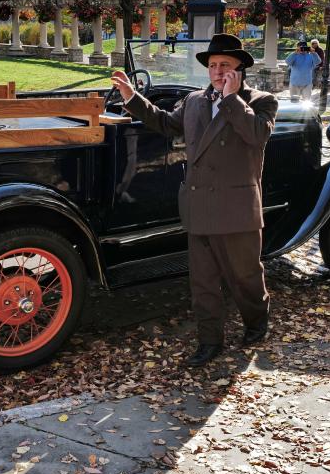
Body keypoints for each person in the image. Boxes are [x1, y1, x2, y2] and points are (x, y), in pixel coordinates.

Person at [110, 33, 277, 367]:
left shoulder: (261, 100)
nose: (217, 71)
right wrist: (132, 96)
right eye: (213, 65)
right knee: (203, 282)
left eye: (225, 65)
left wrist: (231, 100)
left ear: (239, 69)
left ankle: (257, 321)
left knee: (245, 276)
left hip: (237, 209)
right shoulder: (195, 101)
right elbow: (165, 123)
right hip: (198, 206)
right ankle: (209, 340)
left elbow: (258, 136)